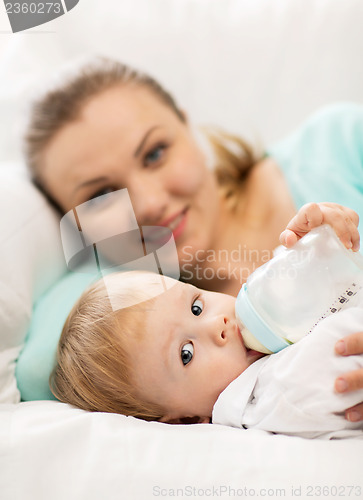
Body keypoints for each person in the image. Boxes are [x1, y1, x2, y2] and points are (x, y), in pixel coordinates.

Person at [24, 57, 363, 421]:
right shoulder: (143, 333)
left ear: (187, 126)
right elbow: (36, 371)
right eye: (102, 196)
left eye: (154, 153)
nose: (150, 203)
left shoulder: (339, 146)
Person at [49, 234, 363, 439]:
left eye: (197, 307)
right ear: (183, 421)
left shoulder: (271, 345)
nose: (218, 324)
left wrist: (317, 242)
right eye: (186, 353)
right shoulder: (275, 391)